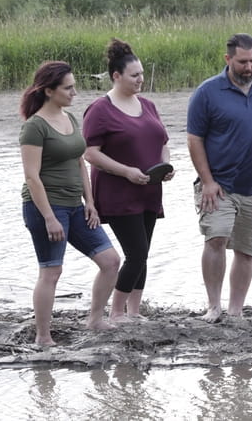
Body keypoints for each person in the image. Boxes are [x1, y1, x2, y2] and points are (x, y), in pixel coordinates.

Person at [186, 33, 252, 322]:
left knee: (247, 249)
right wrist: (207, 180)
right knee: (216, 238)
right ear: (228, 59)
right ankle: (213, 306)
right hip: (218, 185)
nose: (249, 67)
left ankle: (235, 310)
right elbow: (194, 139)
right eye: (243, 62)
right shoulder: (207, 92)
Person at [19, 60, 121, 345]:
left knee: (111, 261)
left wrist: (90, 202)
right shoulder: (34, 127)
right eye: (68, 88)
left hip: (77, 207)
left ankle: (96, 319)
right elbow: (32, 177)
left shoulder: (70, 119)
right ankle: (43, 337)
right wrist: (49, 217)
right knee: (51, 272)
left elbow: (80, 162)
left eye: (74, 86)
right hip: (46, 208)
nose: (74, 92)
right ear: (49, 91)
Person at [82, 38, 174, 323]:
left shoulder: (147, 105)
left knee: (144, 253)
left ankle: (134, 311)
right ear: (116, 76)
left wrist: (166, 165)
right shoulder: (100, 109)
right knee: (136, 253)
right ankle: (116, 312)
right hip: (118, 193)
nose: (141, 80)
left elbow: (162, 140)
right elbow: (89, 153)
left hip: (149, 190)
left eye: (142, 74)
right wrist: (126, 171)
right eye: (135, 75)